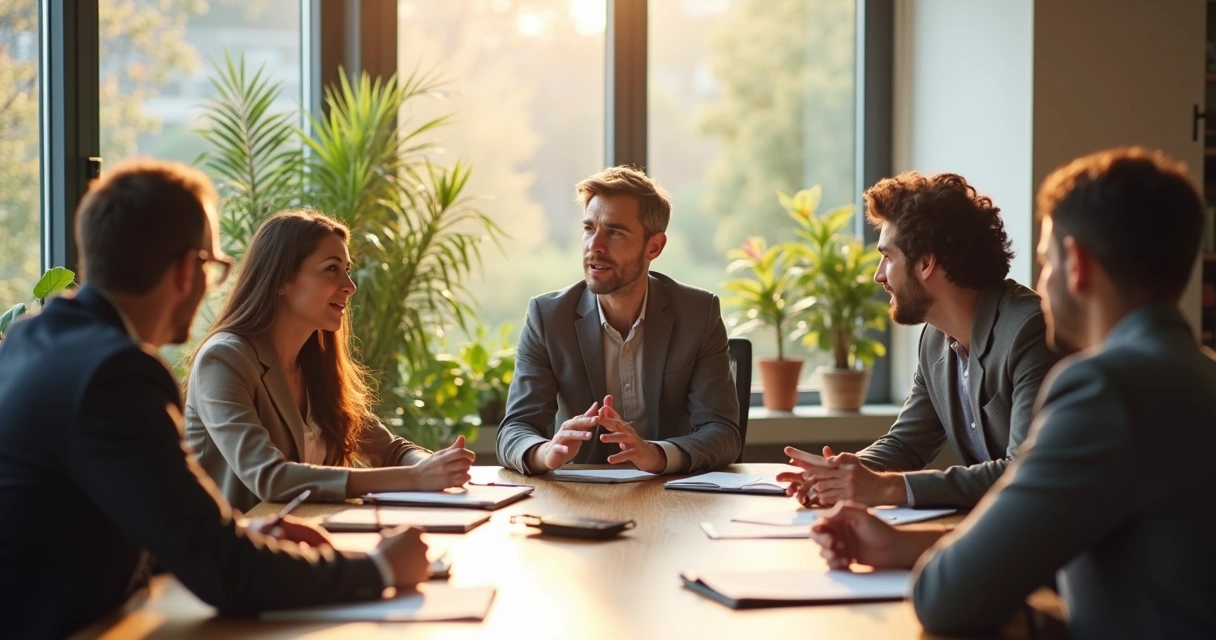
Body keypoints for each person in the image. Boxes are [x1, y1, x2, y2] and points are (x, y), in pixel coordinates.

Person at [0, 161, 430, 639]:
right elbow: (223, 571)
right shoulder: (116, 375)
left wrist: (244, 535)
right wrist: (378, 570)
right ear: (188, 269)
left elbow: (141, 519)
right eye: (214, 267)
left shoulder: (30, 342)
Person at [809, 147, 1216, 638]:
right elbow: (1076, 538)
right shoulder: (1198, 372)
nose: (1040, 282)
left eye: (1047, 260)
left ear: (1077, 266)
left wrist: (914, 537)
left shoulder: (1102, 388)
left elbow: (945, 597)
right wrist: (900, 545)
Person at [780, 172, 1059, 508]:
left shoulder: (1029, 331)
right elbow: (905, 445)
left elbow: (1023, 470)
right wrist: (837, 472)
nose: (878, 275)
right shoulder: (935, 340)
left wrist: (888, 489)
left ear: (926, 262)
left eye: (888, 256)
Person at [184, 209, 475, 512]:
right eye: (332, 269)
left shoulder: (316, 364)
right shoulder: (224, 359)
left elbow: (391, 450)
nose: (350, 285)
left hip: (302, 538)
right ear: (282, 280)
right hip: (232, 552)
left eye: (347, 269)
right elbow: (270, 477)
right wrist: (415, 478)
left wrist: (435, 466)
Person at [496, 166, 740, 474]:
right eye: (588, 229)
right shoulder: (548, 317)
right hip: (582, 499)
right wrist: (545, 452)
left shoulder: (697, 314)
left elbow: (723, 433)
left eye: (614, 232)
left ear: (654, 246)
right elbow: (514, 430)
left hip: (673, 492)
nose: (594, 246)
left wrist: (657, 455)